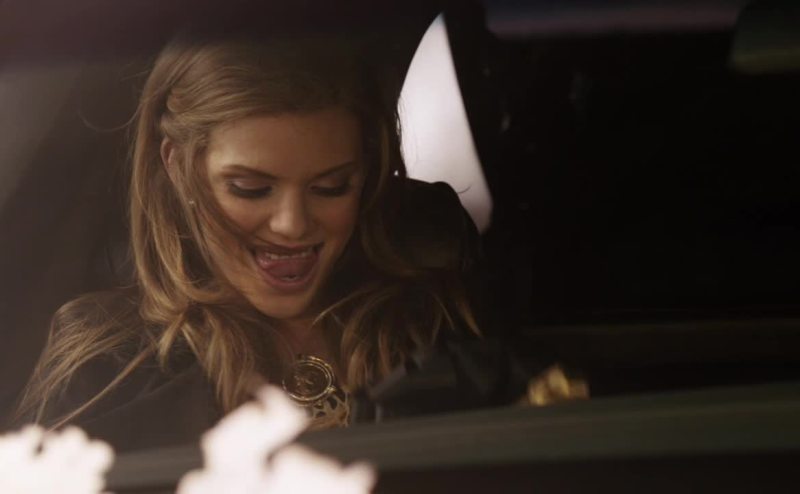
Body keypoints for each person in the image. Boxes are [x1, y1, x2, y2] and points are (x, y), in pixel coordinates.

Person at [14, 32, 481, 451]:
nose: (292, 225)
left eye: (331, 187)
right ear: (178, 166)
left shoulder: (445, 317)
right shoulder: (108, 371)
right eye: (251, 189)